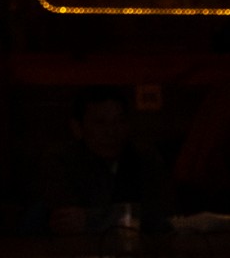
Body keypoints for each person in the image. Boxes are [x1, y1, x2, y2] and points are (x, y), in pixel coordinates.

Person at [44, 87, 172, 230]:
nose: (111, 131)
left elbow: (164, 212)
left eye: (119, 121)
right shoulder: (62, 161)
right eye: (100, 123)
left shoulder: (144, 157)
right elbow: (65, 218)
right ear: (77, 128)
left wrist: (90, 218)